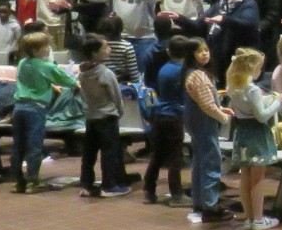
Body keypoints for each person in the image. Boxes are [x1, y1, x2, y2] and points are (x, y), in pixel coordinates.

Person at [10, 31, 75, 194]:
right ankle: (33, 181)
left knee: (18, 145)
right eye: (46, 46)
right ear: (37, 49)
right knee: (34, 145)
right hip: (36, 109)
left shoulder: (23, 63)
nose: (49, 48)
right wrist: (77, 84)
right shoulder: (47, 66)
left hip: (19, 107)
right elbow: (66, 80)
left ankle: (18, 181)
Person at [222, 49, 281, 228]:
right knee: (257, 179)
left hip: (242, 132)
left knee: (245, 176)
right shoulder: (252, 89)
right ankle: (258, 219)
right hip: (256, 133)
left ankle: (249, 218)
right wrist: (279, 102)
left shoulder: (234, 87)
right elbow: (262, 116)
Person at [75, 36, 133, 200]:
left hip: (91, 117)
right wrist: (119, 112)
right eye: (106, 47)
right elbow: (116, 97)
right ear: (95, 53)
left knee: (89, 153)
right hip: (107, 117)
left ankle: (86, 184)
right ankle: (109, 185)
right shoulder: (106, 73)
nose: (110, 49)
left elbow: (83, 95)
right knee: (110, 152)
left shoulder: (83, 73)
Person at [182, 39, 232, 224]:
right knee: (211, 161)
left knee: (200, 161)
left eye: (206, 50)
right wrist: (224, 117)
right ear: (191, 55)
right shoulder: (198, 76)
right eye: (199, 51)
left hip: (196, 123)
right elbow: (208, 106)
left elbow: (208, 102)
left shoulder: (193, 73)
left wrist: (220, 109)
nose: (204, 54)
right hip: (204, 124)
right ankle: (210, 206)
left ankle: (200, 202)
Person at [143, 36, 192, 207]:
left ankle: (149, 191)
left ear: (168, 51)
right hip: (174, 117)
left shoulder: (164, 68)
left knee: (157, 156)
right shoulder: (184, 71)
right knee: (175, 157)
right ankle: (176, 194)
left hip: (159, 115)